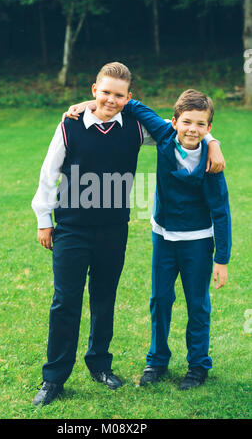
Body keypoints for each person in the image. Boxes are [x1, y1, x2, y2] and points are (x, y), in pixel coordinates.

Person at [31, 62, 225, 406]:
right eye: (104, 92)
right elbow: (49, 174)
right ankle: (54, 378)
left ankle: (100, 365)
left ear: (128, 98)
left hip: (113, 229)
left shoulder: (136, 129)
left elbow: (181, 129)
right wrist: (44, 220)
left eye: (118, 95)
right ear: (94, 91)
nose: (110, 99)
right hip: (71, 228)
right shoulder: (70, 125)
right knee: (65, 302)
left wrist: (212, 142)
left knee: (104, 299)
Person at [124, 90, 232, 390]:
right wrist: (86, 104)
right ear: (174, 122)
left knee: (197, 305)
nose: (192, 129)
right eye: (186, 122)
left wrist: (221, 259)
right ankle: (157, 360)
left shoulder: (213, 165)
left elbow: (221, 213)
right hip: (163, 238)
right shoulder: (164, 135)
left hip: (198, 242)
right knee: (160, 299)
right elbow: (130, 103)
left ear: (209, 127)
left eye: (201, 125)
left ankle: (198, 365)